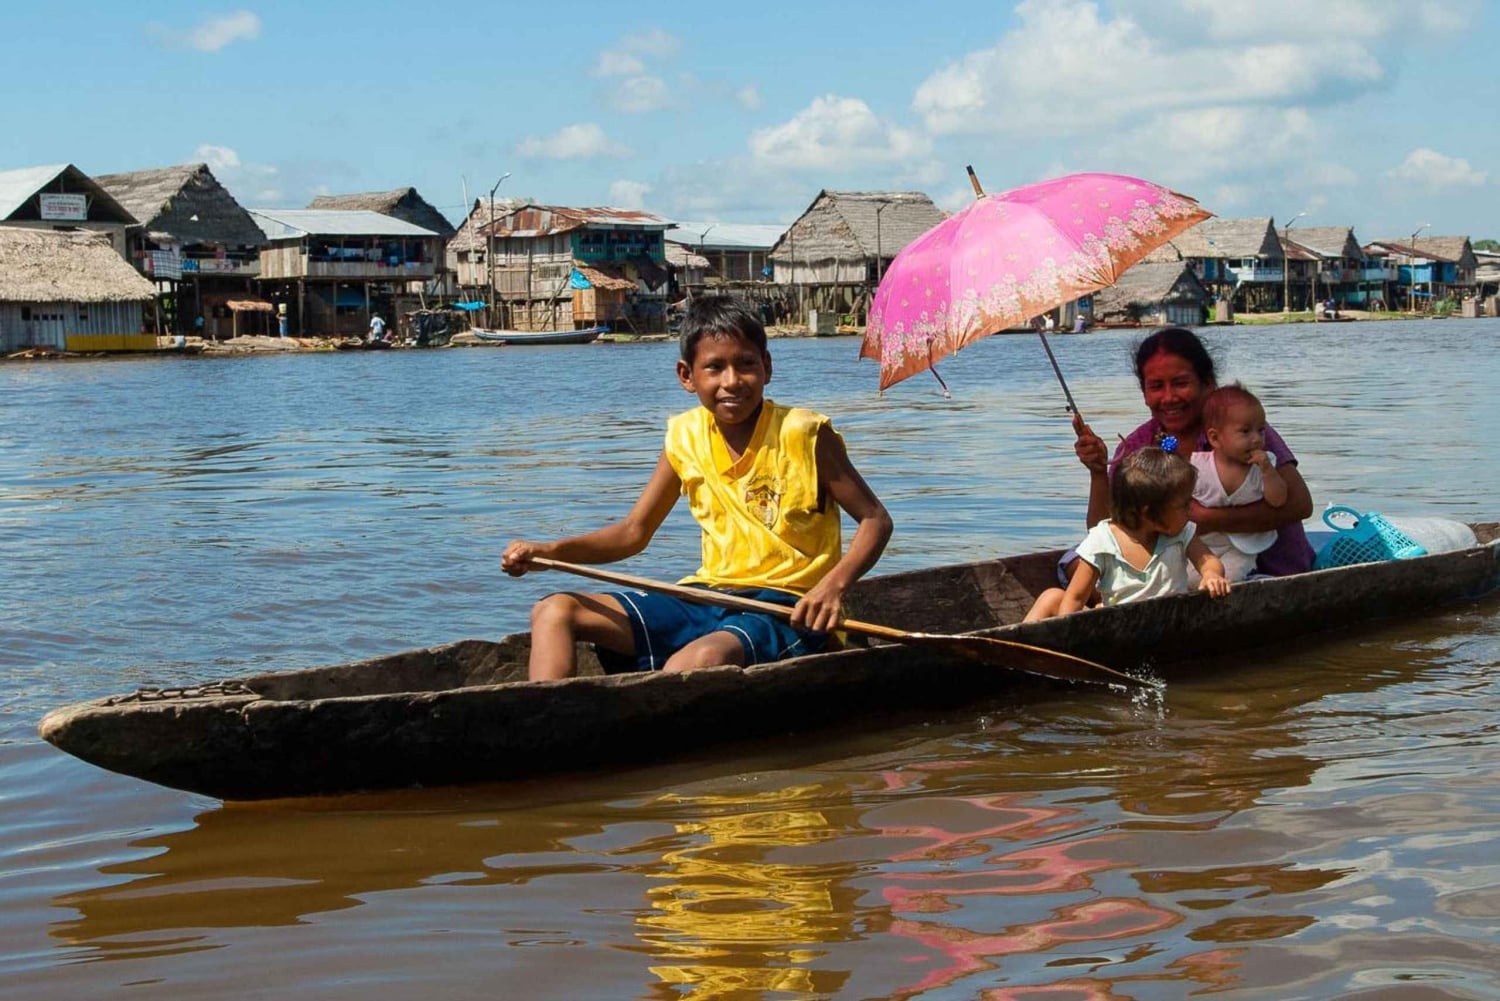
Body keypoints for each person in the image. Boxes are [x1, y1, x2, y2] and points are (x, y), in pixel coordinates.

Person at [501, 294, 894, 681]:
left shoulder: (804, 433)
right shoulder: (684, 437)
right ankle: (546, 721)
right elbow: (633, 533)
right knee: (554, 610)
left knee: (694, 663)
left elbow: (875, 520)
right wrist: (549, 552)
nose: (732, 381)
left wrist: (832, 587)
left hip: (789, 607)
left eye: (746, 364)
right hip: (708, 596)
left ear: (767, 367)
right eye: (714, 368)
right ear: (687, 376)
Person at [1072, 326, 1314, 576]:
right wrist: (1098, 473)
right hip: (1184, 577)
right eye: (1156, 386)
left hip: (1272, 571)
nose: (1169, 397)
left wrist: (1208, 519)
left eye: (1180, 383)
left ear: (1207, 384)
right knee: (1072, 564)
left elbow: (1299, 504)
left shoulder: (1243, 432)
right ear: (1144, 393)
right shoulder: (1138, 448)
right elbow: (1102, 534)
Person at [1025, 447, 1230, 621]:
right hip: (1116, 628)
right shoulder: (1103, 541)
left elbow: (1208, 561)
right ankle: (1018, 652)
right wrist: (1067, 633)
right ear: (1148, 512)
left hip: (1168, 622)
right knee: (1052, 597)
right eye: (1184, 505)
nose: (1191, 509)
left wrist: (1211, 574)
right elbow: (1076, 597)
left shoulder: (1181, 534)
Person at [1189, 384, 1288, 582]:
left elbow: (1278, 500)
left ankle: (1251, 579)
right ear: (1215, 438)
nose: (1256, 439)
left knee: (1230, 577)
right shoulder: (1197, 466)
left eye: (1260, 431)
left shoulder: (1263, 466)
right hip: (1204, 545)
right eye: (1245, 432)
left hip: (1244, 547)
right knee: (1189, 579)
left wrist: (1268, 471)